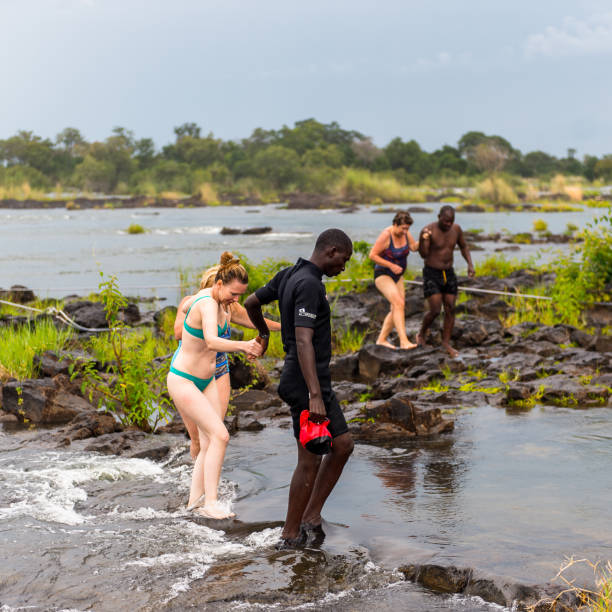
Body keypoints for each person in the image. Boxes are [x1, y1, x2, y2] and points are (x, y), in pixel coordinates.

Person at [244, 228, 354, 549]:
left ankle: (312, 515)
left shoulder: (288, 274)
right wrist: (315, 395)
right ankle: (290, 536)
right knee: (310, 459)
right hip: (307, 383)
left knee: (342, 444)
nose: (343, 268)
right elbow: (304, 339)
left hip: (307, 379)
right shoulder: (308, 284)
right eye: (343, 260)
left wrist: (264, 334)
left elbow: (252, 303)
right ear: (331, 251)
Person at [167, 252, 263, 519]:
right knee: (220, 436)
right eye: (233, 294)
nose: (236, 300)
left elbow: (251, 320)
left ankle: (193, 503)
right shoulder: (207, 302)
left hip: (208, 378)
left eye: (240, 295)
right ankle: (210, 503)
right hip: (184, 379)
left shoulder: (223, 305)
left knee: (211, 441)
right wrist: (243, 346)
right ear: (219, 284)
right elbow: (210, 340)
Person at [174, 265, 281, 462]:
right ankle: (194, 476)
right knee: (197, 438)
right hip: (189, 371)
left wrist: (286, 326)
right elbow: (178, 333)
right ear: (213, 287)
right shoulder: (194, 303)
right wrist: (203, 317)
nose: (224, 302)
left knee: (217, 432)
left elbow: (256, 321)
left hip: (219, 368)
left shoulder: (230, 306)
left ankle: (211, 479)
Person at [417, 205, 475, 358]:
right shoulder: (428, 230)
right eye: (446, 221)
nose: (448, 224)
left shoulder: (456, 229)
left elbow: (464, 246)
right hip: (432, 273)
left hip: (448, 273)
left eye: (451, 221)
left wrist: (470, 264)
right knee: (436, 309)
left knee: (450, 307)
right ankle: (421, 334)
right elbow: (423, 254)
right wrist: (424, 240)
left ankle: (446, 343)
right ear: (439, 217)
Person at [369, 211, 419, 349]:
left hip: (398, 276)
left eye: (407, 229)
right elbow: (372, 255)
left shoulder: (405, 233)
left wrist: (426, 238)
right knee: (398, 303)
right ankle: (404, 341)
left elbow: (414, 247)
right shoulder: (386, 235)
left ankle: (381, 340)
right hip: (383, 274)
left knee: (398, 307)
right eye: (403, 228)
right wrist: (391, 265)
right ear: (395, 224)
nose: (405, 231)